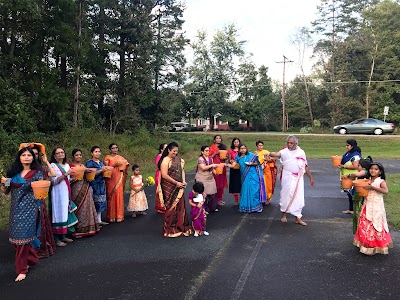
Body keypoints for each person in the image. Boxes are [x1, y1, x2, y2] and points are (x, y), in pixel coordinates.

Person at [1, 147, 43, 282]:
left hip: (29, 210)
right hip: (15, 210)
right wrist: (2, 183)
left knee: (23, 241)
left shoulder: (36, 173)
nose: (26, 157)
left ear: (33, 158)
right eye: (23, 155)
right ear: (19, 157)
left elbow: (40, 191)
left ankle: (22, 269)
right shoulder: (13, 173)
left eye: (29, 155)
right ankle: (32, 259)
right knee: (15, 240)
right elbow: (6, 191)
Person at [267, 135, 315, 226]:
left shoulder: (301, 152)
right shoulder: (284, 151)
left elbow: (305, 166)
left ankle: (298, 217)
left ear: (296, 143)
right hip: (287, 176)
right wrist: (269, 153)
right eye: (288, 143)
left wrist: (311, 178)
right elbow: (277, 154)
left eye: (291, 143)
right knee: (286, 194)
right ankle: (284, 214)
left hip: (299, 178)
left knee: (298, 197)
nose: (289, 144)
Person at [353, 163, 393, 255]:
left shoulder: (381, 181)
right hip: (367, 205)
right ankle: (366, 245)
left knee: (375, 224)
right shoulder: (368, 180)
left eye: (376, 169)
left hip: (377, 206)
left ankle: (375, 246)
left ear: (380, 172)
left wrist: (372, 187)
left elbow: (385, 191)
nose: (373, 171)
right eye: (371, 168)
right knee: (365, 224)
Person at [157, 142, 192, 237]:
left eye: (176, 151)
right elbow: (164, 175)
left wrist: (183, 181)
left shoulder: (178, 160)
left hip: (179, 186)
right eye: (173, 151)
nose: (175, 153)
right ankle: (170, 228)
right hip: (169, 187)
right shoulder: (165, 160)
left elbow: (182, 170)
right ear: (168, 150)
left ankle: (180, 226)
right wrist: (176, 183)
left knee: (180, 207)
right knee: (171, 207)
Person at [30, 146, 57, 259]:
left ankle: (40, 249)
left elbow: (53, 174)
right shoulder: (23, 170)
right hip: (27, 202)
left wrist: (46, 161)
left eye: (36, 154)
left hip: (39, 201)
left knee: (40, 223)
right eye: (32, 154)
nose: (34, 156)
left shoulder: (42, 169)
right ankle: (29, 250)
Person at [50, 147, 78, 246]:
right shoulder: (52, 166)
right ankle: (56, 239)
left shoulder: (66, 165)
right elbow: (53, 181)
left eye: (62, 152)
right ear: (54, 156)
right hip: (57, 194)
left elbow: (67, 179)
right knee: (58, 214)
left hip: (66, 192)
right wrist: (66, 174)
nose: (61, 154)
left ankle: (63, 236)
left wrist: (71, 179)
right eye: (58, 153)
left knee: (65, 213)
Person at [226, 143, 266, 213]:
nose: (243, 150)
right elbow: (233, 166)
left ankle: (256, 207)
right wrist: (225, 164)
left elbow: (257, 163)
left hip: (253, 175)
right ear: (239, 150)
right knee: (245, 190)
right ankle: (245, 207)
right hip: (244, 176)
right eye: (241, 148)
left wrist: (251, 164)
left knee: (254, 190)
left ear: (246, 149)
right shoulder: (237, 157)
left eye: (244, 148)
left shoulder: (251, 155)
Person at [70, 149, 100, 237]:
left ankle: (89, 228)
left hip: (85, 186)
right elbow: (69, 178)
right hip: (76, 188)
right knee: (78, 208)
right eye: (76, 155)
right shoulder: (70, 166)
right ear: (73, 157)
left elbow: (87, 176)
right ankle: (78, 230)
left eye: (80, 155)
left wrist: (89, 174)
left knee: (87, 207)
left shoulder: (83, 166)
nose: (79, 156)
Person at [341, 156, 372, 233]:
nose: (357, 167)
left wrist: (348, 175)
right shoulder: (365, 172)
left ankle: (360, 231)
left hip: (360, 197)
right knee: (357, 213)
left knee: (358, 214)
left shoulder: (366, 172)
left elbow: (356, 174)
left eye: (358, 165)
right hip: (358, 195)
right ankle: (359, 232)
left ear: (363, 167)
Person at [104, 143, 129, 223]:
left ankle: (119, 215)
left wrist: (123, 168)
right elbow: (106, 169)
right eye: (113, 148)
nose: (115, 149)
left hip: (119, 177)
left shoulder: (120, 157)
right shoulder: (107, 158)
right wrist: (115, 165)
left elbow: (126, 164)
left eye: (116, 148)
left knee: (119, 195)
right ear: (110, 149)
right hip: (111, 178)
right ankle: (111, 216)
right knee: (111, 196)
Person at [86, 146, 109, 226]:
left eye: (99, 151)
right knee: (94, 202)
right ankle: (94, 221)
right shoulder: (90, 163)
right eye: (96, 151)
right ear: (92, 153)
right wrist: (101, 171)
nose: (98, 153)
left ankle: (99, 220)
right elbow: (89, 174)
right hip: (94, 184)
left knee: (101, 202)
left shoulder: (101, 162)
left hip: (101, 184)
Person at [339, 139, 361, 215]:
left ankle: (355, 210)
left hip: (352, 176)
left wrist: (343, 166)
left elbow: (355, 166)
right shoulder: (348, 153)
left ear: (352, 146)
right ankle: (351, 209)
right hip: (346, 176)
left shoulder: (355, 155)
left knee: (353, 193)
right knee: (349, 193)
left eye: (348, 145)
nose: (346, 147)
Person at [194, 146, 218, 212]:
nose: (208, 152)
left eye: (208, 150)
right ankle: (202, 209)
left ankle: (212, 207)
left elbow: (212, 168)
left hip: (210, 178)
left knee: (212, 193)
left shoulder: (210, 158)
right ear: (202, 152)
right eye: (206, 150)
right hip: (202, 178)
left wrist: (216, 172)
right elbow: (203, 168)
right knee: (202, 194)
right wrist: (212, 165)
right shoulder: (200, 159)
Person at [254, 140, 277, 205]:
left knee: (268, 185)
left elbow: (272, 159)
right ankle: (261, 198)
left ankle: (268, 198)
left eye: (262, 145)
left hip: (267, 171)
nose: (261, 147)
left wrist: (267, 159)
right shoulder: (255, 153)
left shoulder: (266, 152)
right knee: (260, 185)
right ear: (257, 146)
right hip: (258, 170)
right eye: (259, 145)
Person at [209, 135, 228, 206]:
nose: (218, 139)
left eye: (219, 138)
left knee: (221, 184)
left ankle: (220, 199)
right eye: (217, 138)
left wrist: (225, 157)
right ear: (214, 140)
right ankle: (215, 200)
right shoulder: (211, 148)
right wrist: (215, 153)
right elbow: (209, 158)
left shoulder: (224, 147)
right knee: (216, 183)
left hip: (222, 166)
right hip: (215, 167)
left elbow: (226, 158)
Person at [227, 138, 241, 205]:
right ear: (233, 143)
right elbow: (229, 159)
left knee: (241, 183)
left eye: (237, 142)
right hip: (234, 169)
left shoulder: (242, 150)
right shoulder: (230, 151)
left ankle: (242, 199)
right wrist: (231, 161)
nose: (236, 143)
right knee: (234, 184)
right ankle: (236, 200)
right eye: (235, 142)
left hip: (241, 169)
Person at [154, 143, 167, 213]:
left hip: (165, 174)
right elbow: (159, 166)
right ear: (161, 149)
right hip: (160, 175)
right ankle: (160, 207)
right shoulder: (159, 156)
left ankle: (164, 205)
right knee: (160, 190)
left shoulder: (166, 156)